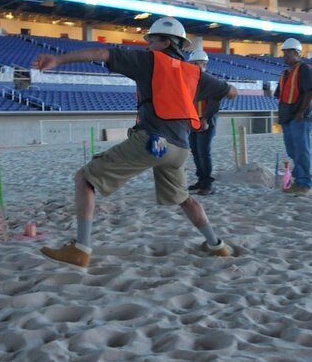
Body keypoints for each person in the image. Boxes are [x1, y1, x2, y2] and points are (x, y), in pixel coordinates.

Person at [32, 17, 239, 268]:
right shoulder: (194, 73)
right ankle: (217, 245)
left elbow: (101, 52)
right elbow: (230, 92)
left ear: (166, 42)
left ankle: (80, 249)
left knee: (85, 178)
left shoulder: (149, 61)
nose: (147, 44)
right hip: (181, 148)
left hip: (154, 142)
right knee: (184, 198)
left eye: (151, 39)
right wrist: (205, 117)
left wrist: (59, 60)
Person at [275, 38, 312, 196]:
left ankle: (305, 184)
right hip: (287, 117)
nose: (285, 56)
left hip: (299, 117)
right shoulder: (285, 73)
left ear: (297, 53)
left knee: (302, 150)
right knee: (293, 151)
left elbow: (309, 92)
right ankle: (299, 181)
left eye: (288, 53)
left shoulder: (305, 69)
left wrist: (301, 112)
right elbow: (281, 96)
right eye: (284, 53)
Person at [186, 49, 219, 196]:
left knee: (203, 152)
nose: (192, 65)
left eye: (194, 63)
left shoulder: (210, 81)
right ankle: (201, 179)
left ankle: (207, 184)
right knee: (195, 151)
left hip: (206, 121)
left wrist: (205, 119)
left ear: (203, 64)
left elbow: (214, 103)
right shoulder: (190, 82)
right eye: (191, 63)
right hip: (193, 121)